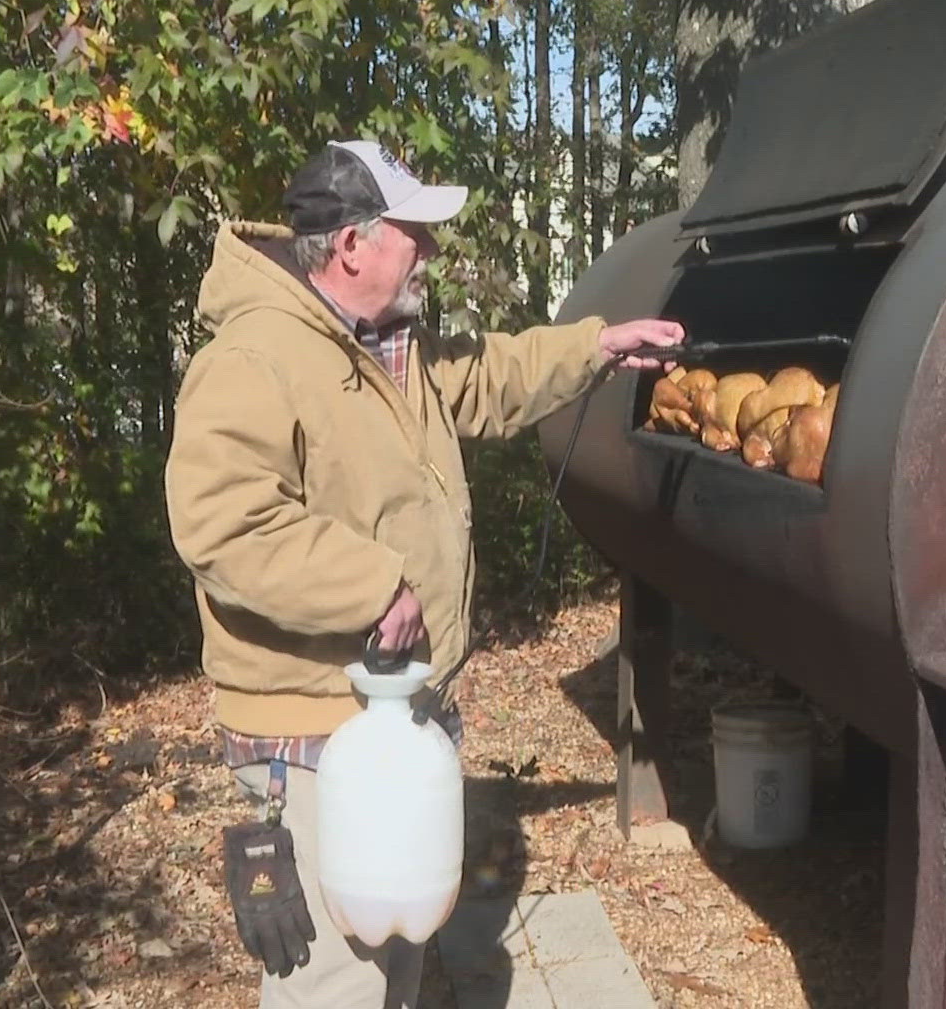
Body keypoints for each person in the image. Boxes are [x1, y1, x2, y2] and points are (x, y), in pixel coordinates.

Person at [163, 138, 683, 1008]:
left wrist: (601, 345)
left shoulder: (388, 345)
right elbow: (223, 525)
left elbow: (491, 375)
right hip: (317, 725)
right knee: (337, 979)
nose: (432, 252)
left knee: (394, 951)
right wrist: (372, 587)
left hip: (389, 713)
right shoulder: (256, 358)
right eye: (415, 233)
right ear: (353, 246)